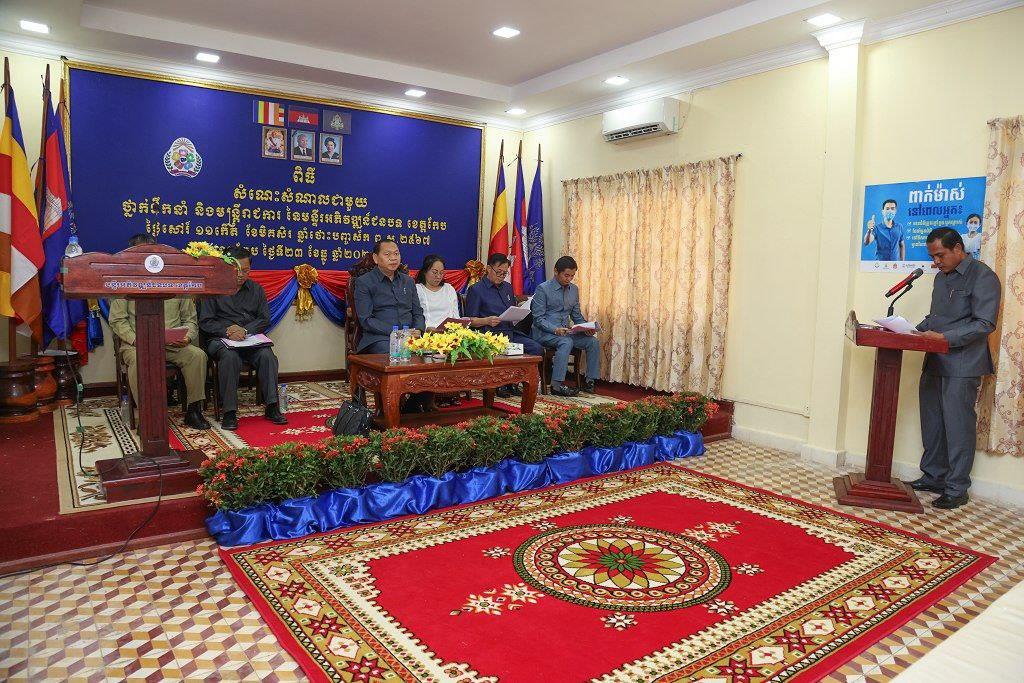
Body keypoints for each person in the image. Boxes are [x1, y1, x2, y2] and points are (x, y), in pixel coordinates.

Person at [909, 227, 1001, 509]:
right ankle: (933, 476)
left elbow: (984, 323)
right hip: (935, 360)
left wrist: (945, 338)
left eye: (940, 255)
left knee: (958, 426)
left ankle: (957, 488)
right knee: (932, 422)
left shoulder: (983, 276)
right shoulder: (940, 278)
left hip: (963, 363)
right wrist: (911, 331)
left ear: (958, 248)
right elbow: (936, 317)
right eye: (932, 257)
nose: (936, 262)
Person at [109, 233, 210, 430]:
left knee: (197, 356)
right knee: (138, 360)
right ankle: (147, 416)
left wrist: (187, 337)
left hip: (172, 344)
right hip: (137, 344)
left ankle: (194, 411)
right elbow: (118, 320)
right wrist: (136, 340)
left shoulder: (176, 281)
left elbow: (190, 319)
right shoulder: (124, 281)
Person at [198, 246, 286, 431]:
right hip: (220, 340)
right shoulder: (213, 288)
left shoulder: (256, 289)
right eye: (236, 269)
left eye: (245, 270)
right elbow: (205, 321)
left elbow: (264, 319)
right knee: (230, 357)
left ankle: (272, 406)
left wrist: (244, 330)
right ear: (226, 267)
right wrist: (228, 331)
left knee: (267, 355)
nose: (240, 274)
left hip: (250, 339)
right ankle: (229, 412)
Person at [352, 239, 428, 411]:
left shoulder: (408, 281)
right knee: (394, 355)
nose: (393, 258)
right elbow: (366, 319)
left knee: (433, 357)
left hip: (410, 337)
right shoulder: (364, 282)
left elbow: (418, 313)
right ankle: (389, 409)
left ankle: (412, 407)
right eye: (387, 254)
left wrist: (418, 329)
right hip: (379, 338)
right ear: (375, 258)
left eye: (396, 254)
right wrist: (398, 334)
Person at [464, 253, 543, 397]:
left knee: (535, 348)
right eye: (498, 272)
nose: (501, 276)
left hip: (510, 331)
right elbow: (469, 320)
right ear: (489, 269)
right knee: (503, 349)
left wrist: (518, 314)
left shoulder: (507, 287)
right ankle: (500, 384)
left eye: (504, 273)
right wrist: (487, 320)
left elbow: (511, 310)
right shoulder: (476, 289)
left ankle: (514, 382)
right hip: (489, 334)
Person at [530, 256, 601, 397]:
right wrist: (555, 329)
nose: (569, 279)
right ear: (556, 271)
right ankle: (556, 385)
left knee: (592, 342)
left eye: (572, 276)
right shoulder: (543, 289)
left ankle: (590, 381)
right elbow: (538, 319)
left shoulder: (574, 290)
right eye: (566, 275)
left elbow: (577, 316)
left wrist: (586, 328)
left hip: (565, 332)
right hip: (545, 333)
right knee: (566, 342)